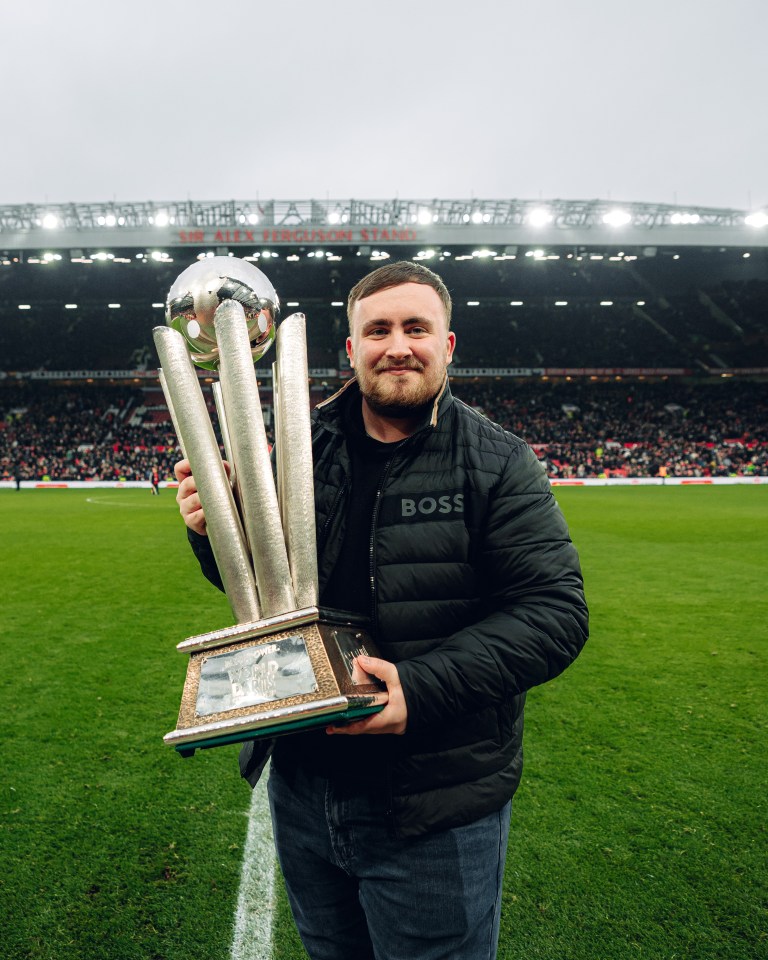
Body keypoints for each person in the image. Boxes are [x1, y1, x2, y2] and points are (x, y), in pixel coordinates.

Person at [174, 261, 589, 960]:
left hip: (432, 807)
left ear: (447, 346)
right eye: (379, 330)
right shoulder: (303, 448)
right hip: (305, 792)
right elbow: (266, 598)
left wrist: (418, 688)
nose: (397, 345)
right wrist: (213, 530)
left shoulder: (497, 462)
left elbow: (554, 613)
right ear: (352, 350)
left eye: (415, 328)